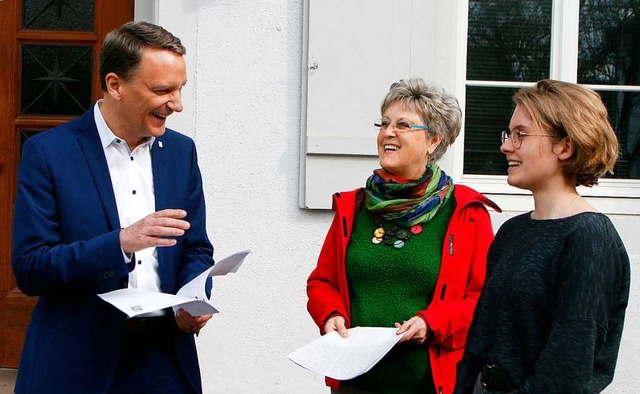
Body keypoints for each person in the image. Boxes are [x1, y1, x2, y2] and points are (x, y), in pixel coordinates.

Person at [12, 21, 214, 394]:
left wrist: (194, 301)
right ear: (115, 84)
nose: (177, 104)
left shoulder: (181, 152)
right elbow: (31, 268)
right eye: (162, 90)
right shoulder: (48, 153)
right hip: (75, 363)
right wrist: (119, 243)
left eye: (180, 89)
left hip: (166, 362)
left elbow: (197, 247)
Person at [306, 78, 500, 394]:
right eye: (384, 124)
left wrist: (431, 323)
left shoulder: (465, 211)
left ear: (434, 141)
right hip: (356, 384)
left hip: (430, 383)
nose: (388, 133)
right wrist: (331, 315)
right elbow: (322, 282)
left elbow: (483, 299)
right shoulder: (353, 206)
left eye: (403, 125)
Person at [455, 79, 631, 394]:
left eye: (521, 134)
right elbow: (480, 340)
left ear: (566, 146)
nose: (506, 145)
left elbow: (565, 372)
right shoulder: (513, 232)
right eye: (509, 134)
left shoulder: (589, 239)